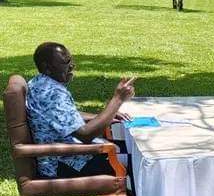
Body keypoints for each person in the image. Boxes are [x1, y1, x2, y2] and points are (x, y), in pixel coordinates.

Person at [25, 42, 135, 178]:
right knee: (138, 163)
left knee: (130, 151)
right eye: (65, 62)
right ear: (46, 68)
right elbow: (86, 134)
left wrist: (103, 115)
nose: (72, 65)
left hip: (70, 157)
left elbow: (67, 115)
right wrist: (117, 99)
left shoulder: (40, 83)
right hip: (66, 164)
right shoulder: (51, 93)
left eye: (70, 59)